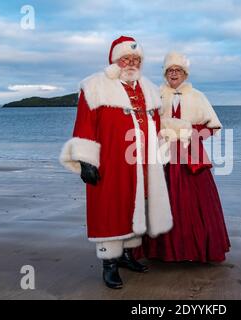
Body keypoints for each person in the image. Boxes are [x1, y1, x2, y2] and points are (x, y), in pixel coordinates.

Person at [59, 36, 172, 289]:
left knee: (136, 205)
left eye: (136, 59)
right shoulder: (94, 86)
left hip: (141, 162)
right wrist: (85, 160)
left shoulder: (151, 89)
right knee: (109, 209)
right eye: (126, 58)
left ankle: (128, 254)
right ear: (115, 60)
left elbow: (158, 126)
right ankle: (109, 263)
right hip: (109, 162)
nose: (131, 63)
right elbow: (85, 124)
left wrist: (162, 155)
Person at [135, 52, 230, 263]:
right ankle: (162, 251)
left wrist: (190, 135)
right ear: (165, 74)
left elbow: (213, 126)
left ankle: (197, 251)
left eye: (177, 70)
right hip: (163, 154)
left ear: (185, 74)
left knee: (196, 202)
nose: (174, 74)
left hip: (191, 153)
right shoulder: (156, 95)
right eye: (170, 70)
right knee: (162, 200)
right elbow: (147, 124)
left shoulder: (197, 96)